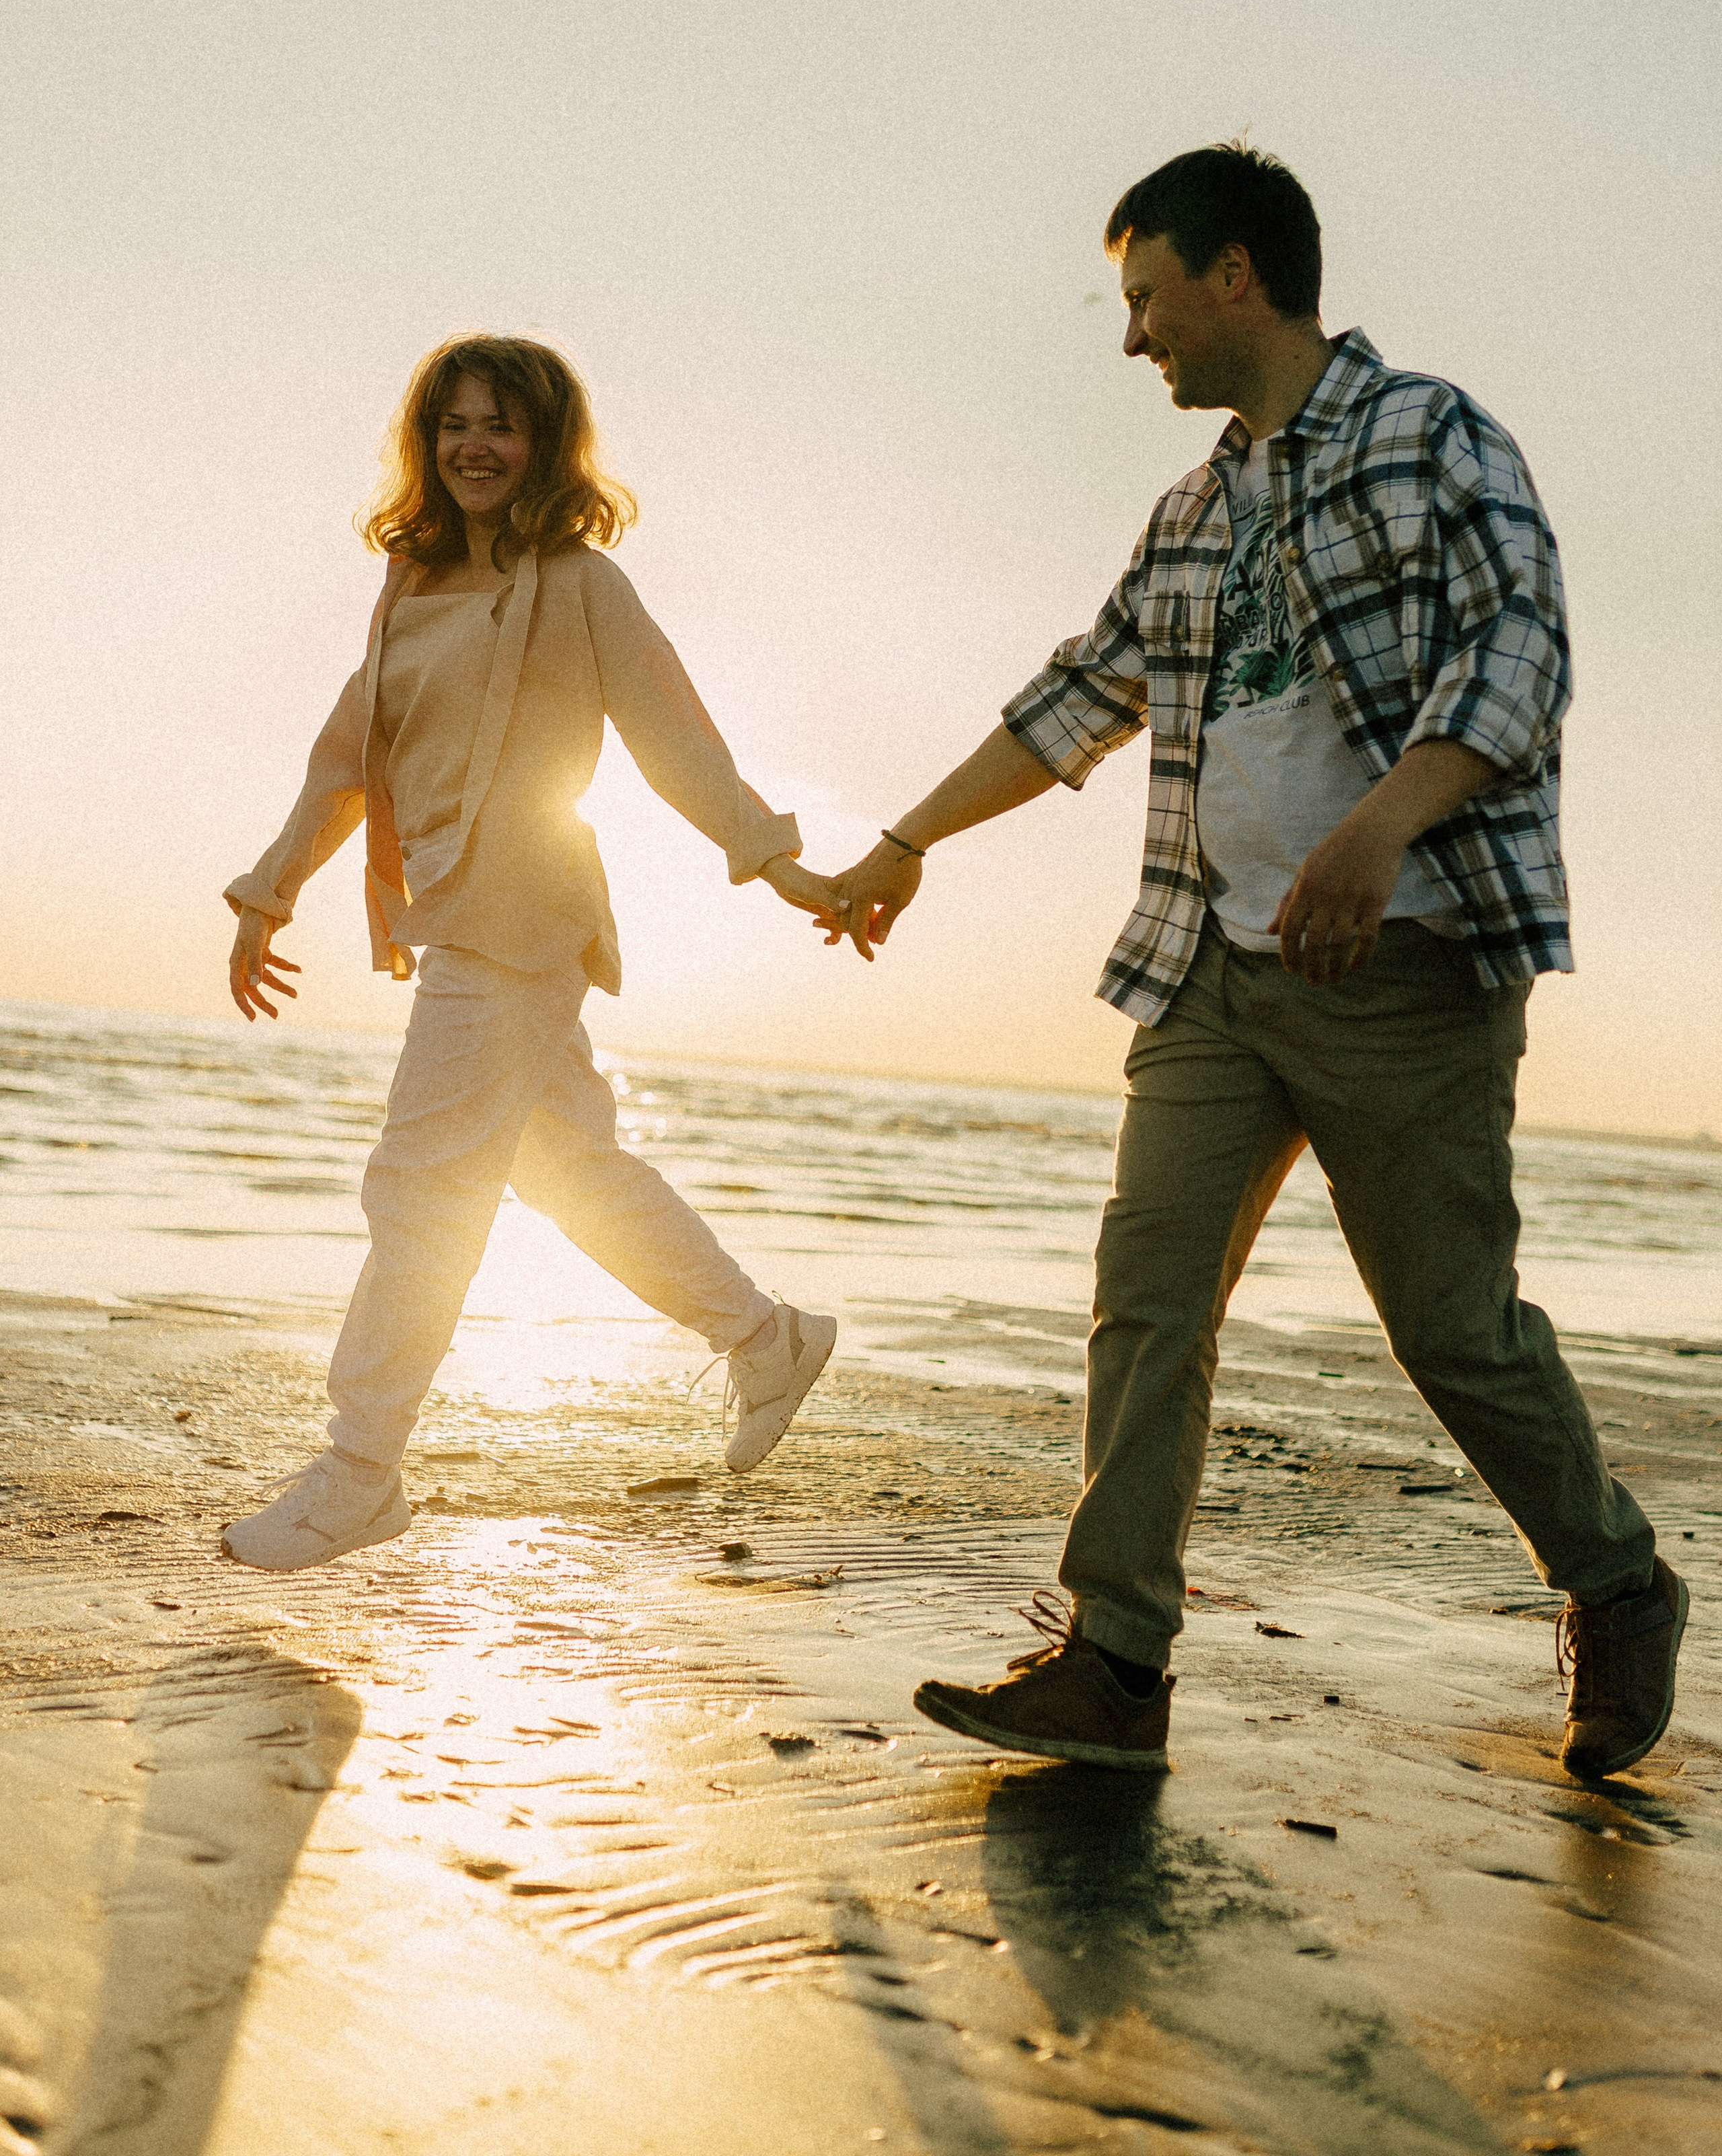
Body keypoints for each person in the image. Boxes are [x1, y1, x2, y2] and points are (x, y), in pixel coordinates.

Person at [819, 145, 1686, 1783]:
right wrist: (906, 842)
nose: (1130, 334)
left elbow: (1522, 649)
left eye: (1144, 294)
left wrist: (1379, 832)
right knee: (1147, 1301)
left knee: (1450, 1331)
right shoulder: (1194, 509)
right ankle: (1114, 1663)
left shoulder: (1428, 434)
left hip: (1405, 973)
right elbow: (1076, 698)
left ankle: (1616, 1580)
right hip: (1210, 966)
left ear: (1234, 278)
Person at [221, 334, 838, 1570]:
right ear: (424, 439)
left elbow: (677, 737)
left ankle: (360, 1471)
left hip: (524, 914)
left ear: (547, 443)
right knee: (568, 1167)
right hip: (450, 908)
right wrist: (267, 890)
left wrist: (775, 860)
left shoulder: (583, 584)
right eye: (452, 423)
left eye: (500, 425)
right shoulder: (408, 584)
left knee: (420, 1181)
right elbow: (350, 757)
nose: (473, 446)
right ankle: (766, 1339)